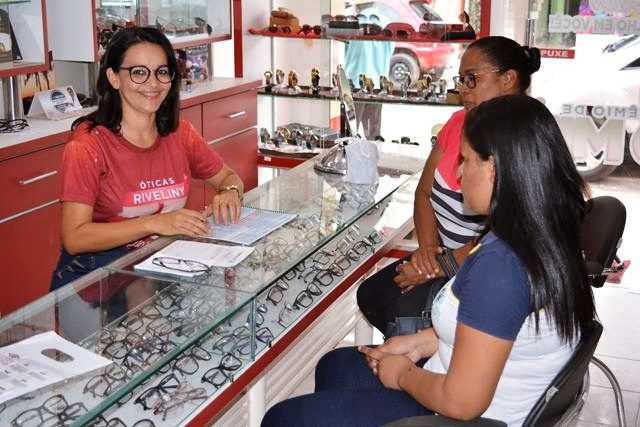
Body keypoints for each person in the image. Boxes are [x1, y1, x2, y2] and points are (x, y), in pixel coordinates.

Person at [261, 94, 596, 426]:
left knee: (282, 419)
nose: (458, 172)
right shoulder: (544, 230)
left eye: (465, 160)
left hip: (458, 416)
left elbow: (462, 402)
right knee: (335, 367)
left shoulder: (501, 268)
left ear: (493, 168)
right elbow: (498, 332)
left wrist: (404, 375)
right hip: (472, 385)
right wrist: (421, 344)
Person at [357, 36, 541, 334]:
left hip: (484, 269)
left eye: (472, 79)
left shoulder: (522, 137)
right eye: (461, 79)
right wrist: (428, 251)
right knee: (372, 293)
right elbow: (424, 193)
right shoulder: (459, 122)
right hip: (443, 256)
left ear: (507, 79)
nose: (463, 89)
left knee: (401, 315)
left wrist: (438, 268)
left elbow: (511, 235)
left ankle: (425, 355)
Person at [50, 27, 243, 291]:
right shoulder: (88, 145)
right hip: (95, 286)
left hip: (157, 272)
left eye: (161, 72)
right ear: (113, 77)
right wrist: (154, 223)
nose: (153, 84)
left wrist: (230, 192)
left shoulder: (180, 133)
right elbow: (75, 237)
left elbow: (229, 178)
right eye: (139, 72)